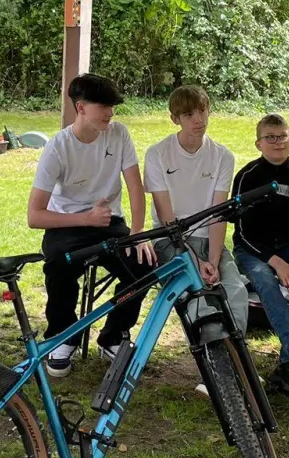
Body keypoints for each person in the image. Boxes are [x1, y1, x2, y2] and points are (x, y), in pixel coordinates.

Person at [28, 73, 154, 378]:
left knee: (143, 265)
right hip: (66, 226)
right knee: (59, 265)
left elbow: (135, 188)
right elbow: (34, 216)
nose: (110, 112)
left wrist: (137, 232)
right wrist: (85, 218)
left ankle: (114, 336)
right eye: (103, 106)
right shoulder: (58, 147)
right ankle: (62, 336)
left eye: (112, 106)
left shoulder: (118, 134)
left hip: (110, 224)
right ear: (81, 107)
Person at [144, 85, 248, 396]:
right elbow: (166, 219)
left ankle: (231, 367)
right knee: (199, 298)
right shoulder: (157, 154)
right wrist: (194, 259)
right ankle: (217, 371)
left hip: (210, 240)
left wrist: (213, 260)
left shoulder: (222, 156)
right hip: (171, 241)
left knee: (236, 290)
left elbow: (219, 213)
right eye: (189, 114)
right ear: (175, 118)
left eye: (202, 111)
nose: (198, 120)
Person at [232, 113, 289, 396]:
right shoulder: (247, 177)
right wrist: (276, 262)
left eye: (282, 136)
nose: (277, 142)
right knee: (266, 280)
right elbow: (243, 231)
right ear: (258, 143)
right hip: (254, 251)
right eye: (270, 137)